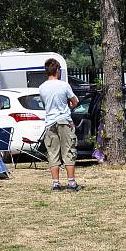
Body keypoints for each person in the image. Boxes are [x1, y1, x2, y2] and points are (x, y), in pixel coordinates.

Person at [38, 58, 81, 192]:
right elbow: (75, 102)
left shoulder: (42, 87)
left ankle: (56, 184)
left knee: (53, 152)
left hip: (50, 123)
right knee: (68, 150)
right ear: (57, 70)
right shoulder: (64, 85)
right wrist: (69, 105)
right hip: (64, 120)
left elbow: (45, 105)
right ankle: (72, 183)